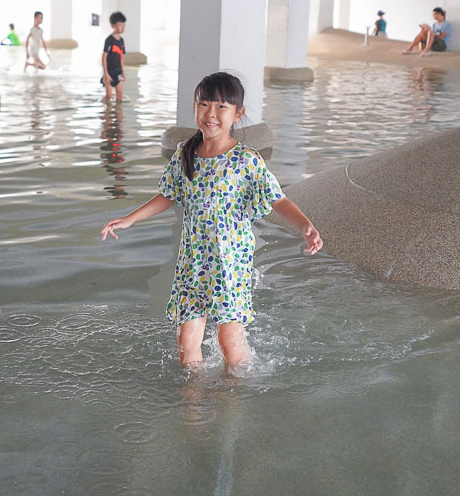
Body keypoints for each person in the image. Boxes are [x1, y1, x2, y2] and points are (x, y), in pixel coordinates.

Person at [101, 72, 323, 372]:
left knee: (229, 341)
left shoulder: (246, 159)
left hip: (229, 265)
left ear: (238, 113)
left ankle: (233, 402)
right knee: (186, 341)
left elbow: (276, 198)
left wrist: (305, 225)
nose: (210, 114)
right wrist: (130, 219)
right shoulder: (185, 153)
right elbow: (168, 194)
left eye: (221, 107)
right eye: (203, 104)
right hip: (192, 262)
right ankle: (193, 405)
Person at [100, 11, 127, 102]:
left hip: (118, 72)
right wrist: (106, 74)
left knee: (119, 96)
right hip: (109, 73)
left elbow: (121, 58)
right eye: (120, 25)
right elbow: (104, 57)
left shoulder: (121, 41)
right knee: (109, 95)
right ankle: (106, 114)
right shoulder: (109, 40)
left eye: (124, 25)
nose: (122, 28)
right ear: (113, 25)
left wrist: (123, 73)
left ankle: (119, 115)